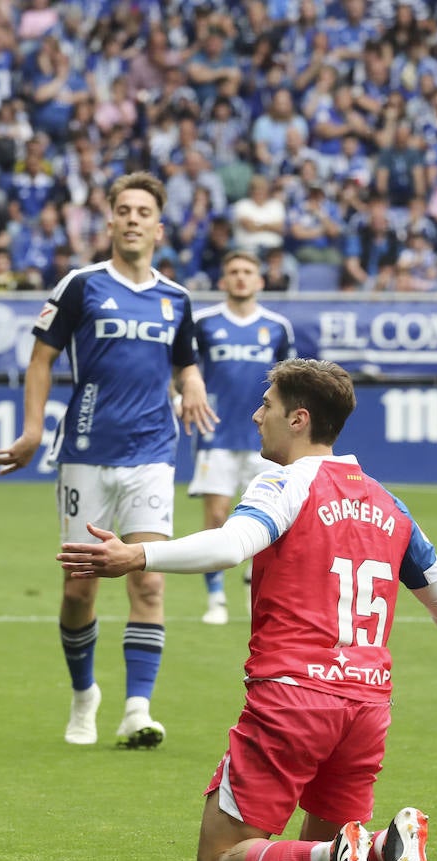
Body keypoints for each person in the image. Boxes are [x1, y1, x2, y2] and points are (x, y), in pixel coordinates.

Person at [58, 357, 437, 861]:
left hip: (293, 701)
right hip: (367, 709)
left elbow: (232, 545)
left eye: (268, 406)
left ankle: (345, 852)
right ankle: (378, 850)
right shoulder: (389, 504)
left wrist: (137, 554)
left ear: (299, 419)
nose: (258, 416)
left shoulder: (285, 483)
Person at [0, 171, 216, 749]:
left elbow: (184, 360)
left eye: (145, 211)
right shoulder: (81, 286)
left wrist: (191, 383)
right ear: (110, 220)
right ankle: (84, 694)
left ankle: (136, 709)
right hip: (86, 454)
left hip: (152, 454)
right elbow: (40, 359)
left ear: (159, 227)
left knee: (149, 583)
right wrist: (33, 430)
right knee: (78, 590)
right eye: (125, 209)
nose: (135, 218)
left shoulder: (177, 298)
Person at [190, 251, 295, 624]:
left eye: (248, 272)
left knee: (267, 517)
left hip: (264, 437)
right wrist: (181, 398)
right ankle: (215, 598)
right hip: (214, 433)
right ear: (222, 281)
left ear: (260, 281)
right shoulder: (203, 323)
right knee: (217, 516)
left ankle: (257, 591)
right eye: (233, 271)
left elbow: (291, 381)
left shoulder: (277, 326)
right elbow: (182, 369)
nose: (240, 278)